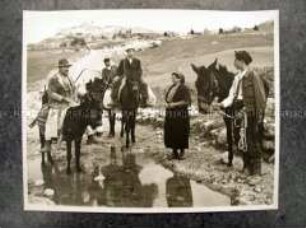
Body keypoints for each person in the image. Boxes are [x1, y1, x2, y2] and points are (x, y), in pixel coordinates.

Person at [217, 50, 267, 176]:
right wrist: (222, 104)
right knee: (240, 138)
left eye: (235, 60)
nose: (233, 62)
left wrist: (259, 115)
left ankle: (256, 170)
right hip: (237, 108)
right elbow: (232, 95)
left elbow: (260, 97)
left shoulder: (253, 76)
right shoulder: (237, 77)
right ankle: (246, 165)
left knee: (251, 138)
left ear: (241, 61)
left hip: (250, 111)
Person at [41, 58, 76, 158]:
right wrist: (64, 99)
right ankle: (47, 144)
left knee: (83, 114)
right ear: (60, 68)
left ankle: (90, 136)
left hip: (70, 103)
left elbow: (74, 90)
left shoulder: (69, 78)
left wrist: (79, 95)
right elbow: (51, 93)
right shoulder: (54, 79)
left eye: (68, 67)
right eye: (65, 67)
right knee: (51, 121)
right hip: (57, 105)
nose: (67, 69)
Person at [164, 72, 191, 160]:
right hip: (171, 114)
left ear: (179, 79)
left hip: (180, 114)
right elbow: (167, 99)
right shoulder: (171, 87)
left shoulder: (184, 88)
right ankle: (174, 152)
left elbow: (186, 101)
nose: (172, 79)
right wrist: (167, 103)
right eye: (172, 78)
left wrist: (174, 104)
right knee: (171, 131)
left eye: (174, 78)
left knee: (181, 131)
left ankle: (182, 152)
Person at [101, 57, 118, 137]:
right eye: (106, 62)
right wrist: (108, 84)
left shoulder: (115, 68)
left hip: (115, 87)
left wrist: (115, 81)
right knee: (106, 95)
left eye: (108, 61)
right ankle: (111, 130)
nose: (107, 63)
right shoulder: (104, 70)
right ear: (104, 63)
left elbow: (118, 76)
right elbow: (103, 79)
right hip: (108, 87)